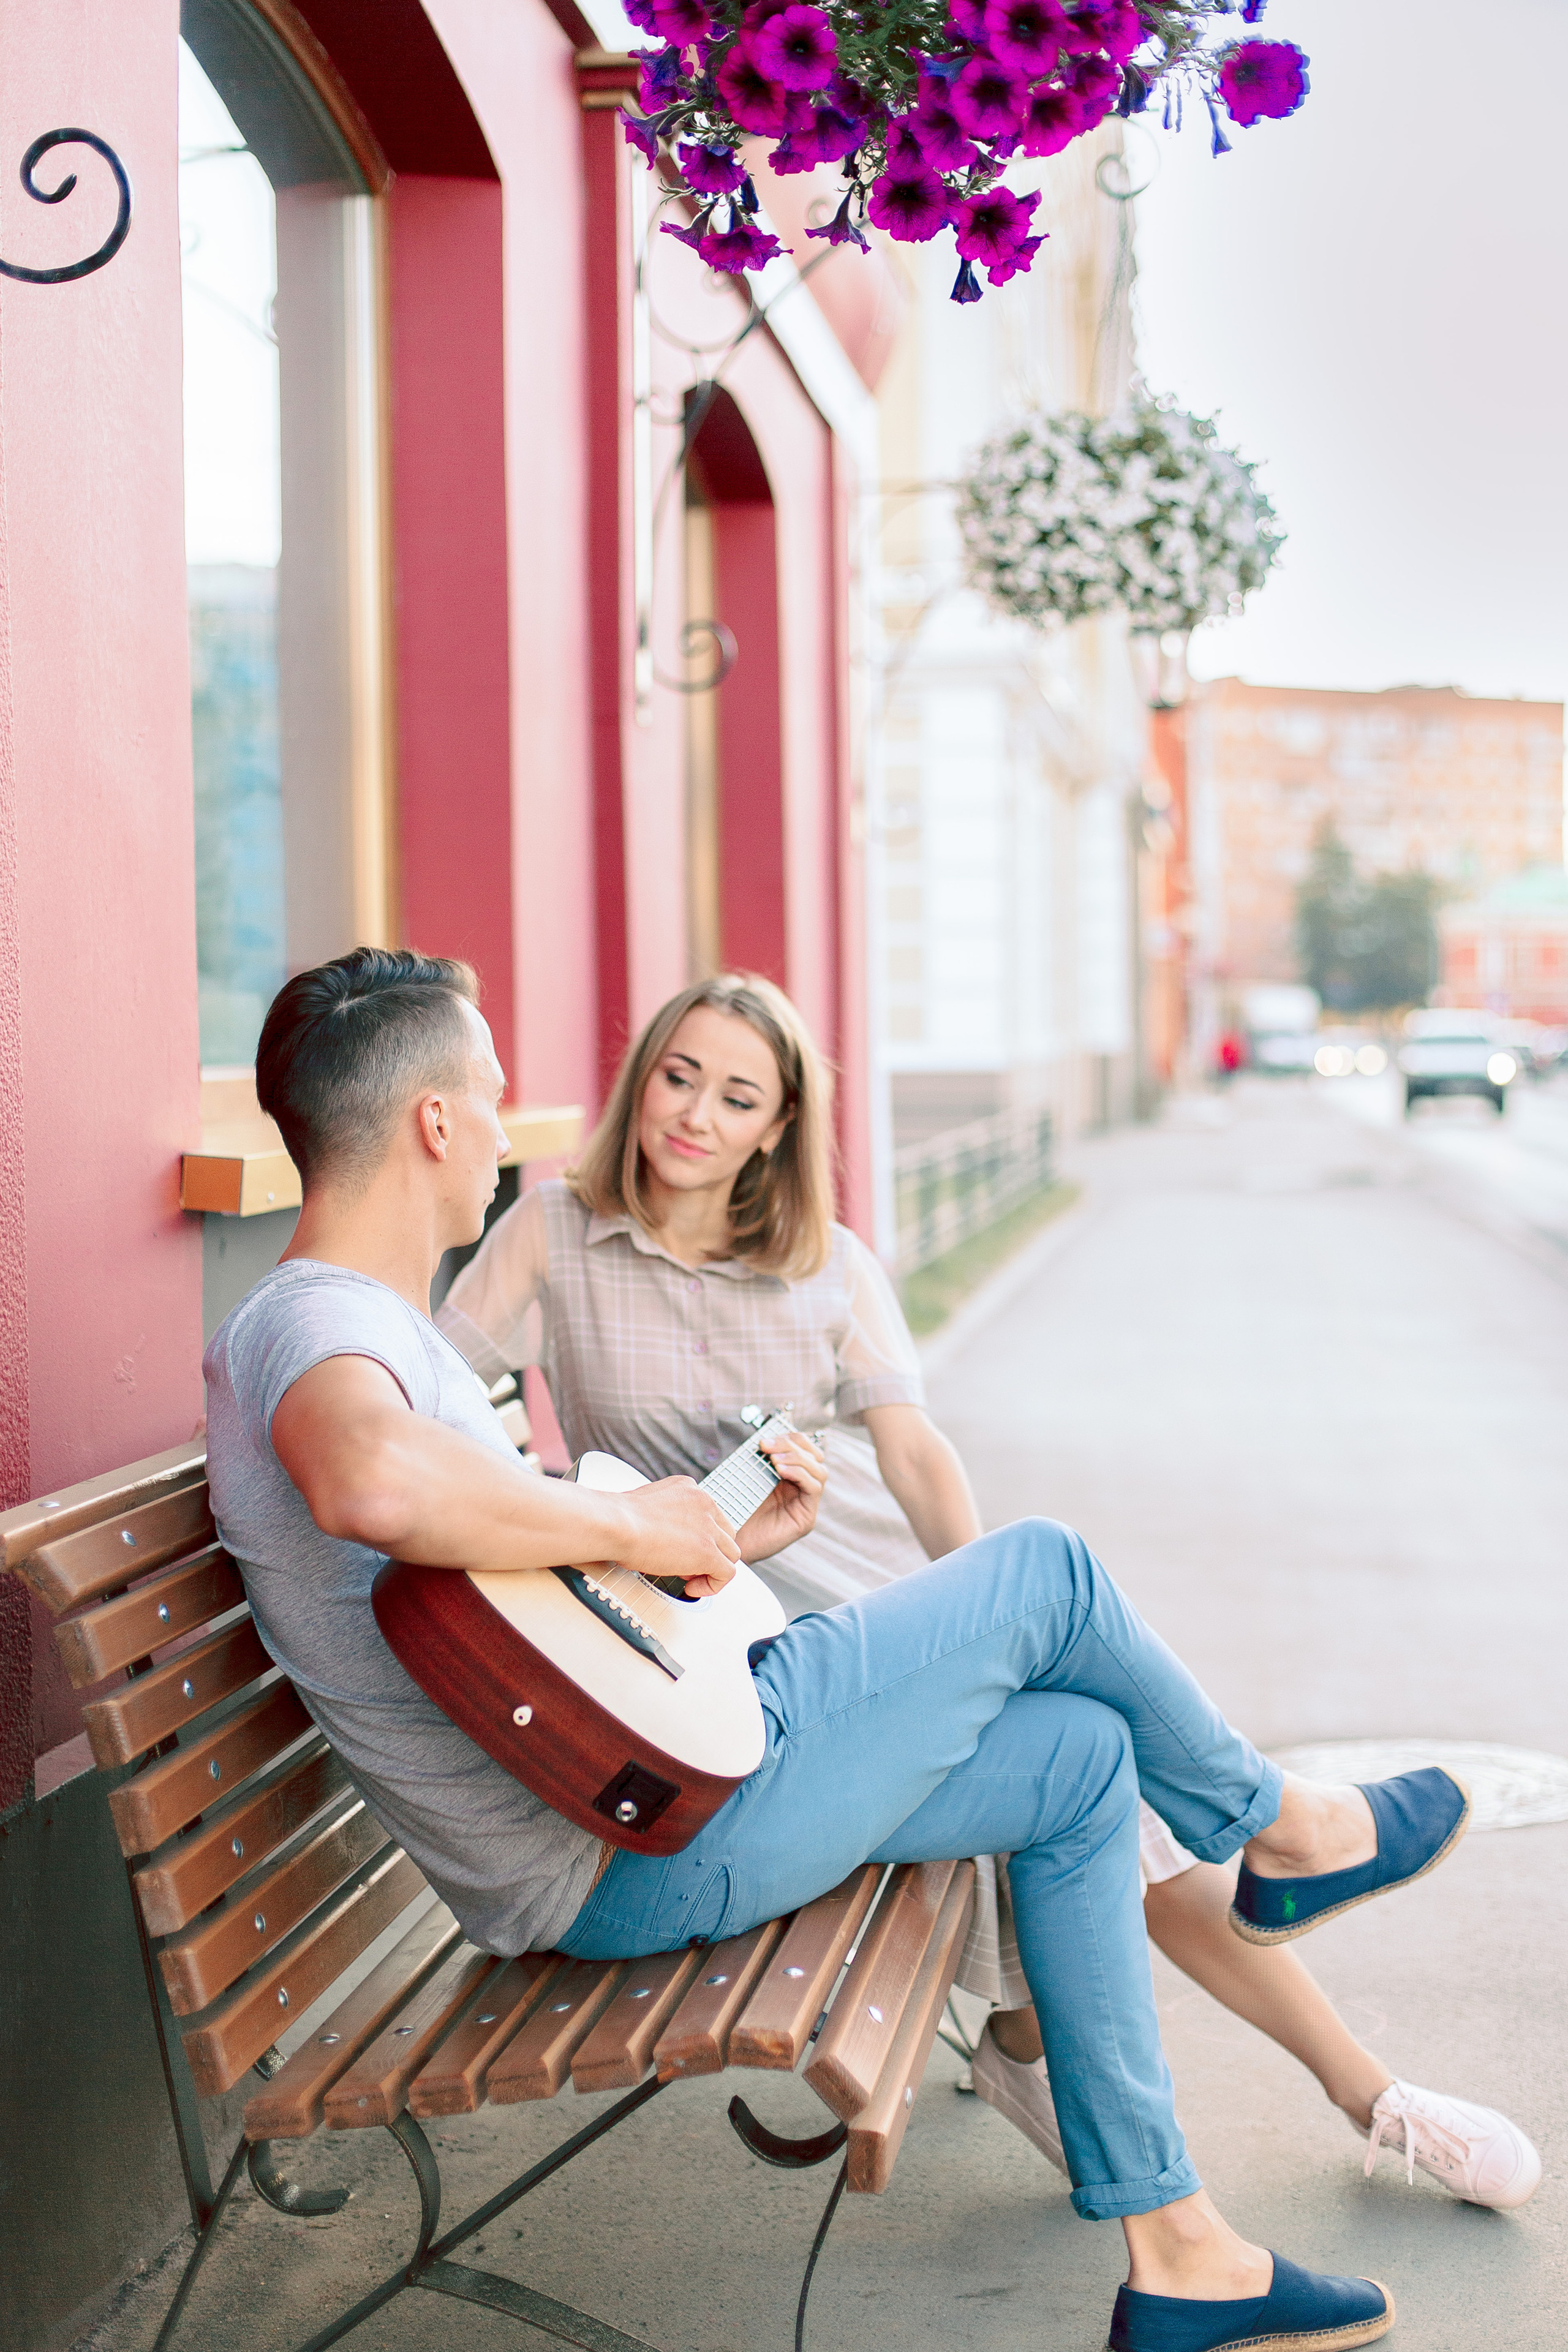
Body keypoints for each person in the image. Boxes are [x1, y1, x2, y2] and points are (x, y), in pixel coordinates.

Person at [205, 949, 1478, 2352]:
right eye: (494, 1100)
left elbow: (509, 1609)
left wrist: (698, 1547)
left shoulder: (367, 1327)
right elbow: (369, 1484)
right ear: (434, 1124)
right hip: (622, 1842)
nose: (510, 1134)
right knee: (1043, 1574)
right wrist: (633, 1519)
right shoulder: (317, 1320)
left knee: (1080, 1755)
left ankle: (1174, 2248)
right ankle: (1288, 1831)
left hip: (637, 1778)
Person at [439, 970, 1540, 2215]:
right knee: (1120, 1798)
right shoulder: (553, 1234)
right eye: (678, 1076)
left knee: (1117, 1777)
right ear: (643, 1074)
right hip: (743, 1658)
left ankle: (1349, 2084)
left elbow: (909, 1453)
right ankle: (1299, 2013)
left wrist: (993, 1622)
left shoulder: (824, 1263)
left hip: (890, 1601)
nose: (692, 1114)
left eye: (736, 1096)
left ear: (776, 1126)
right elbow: (432, 1414)